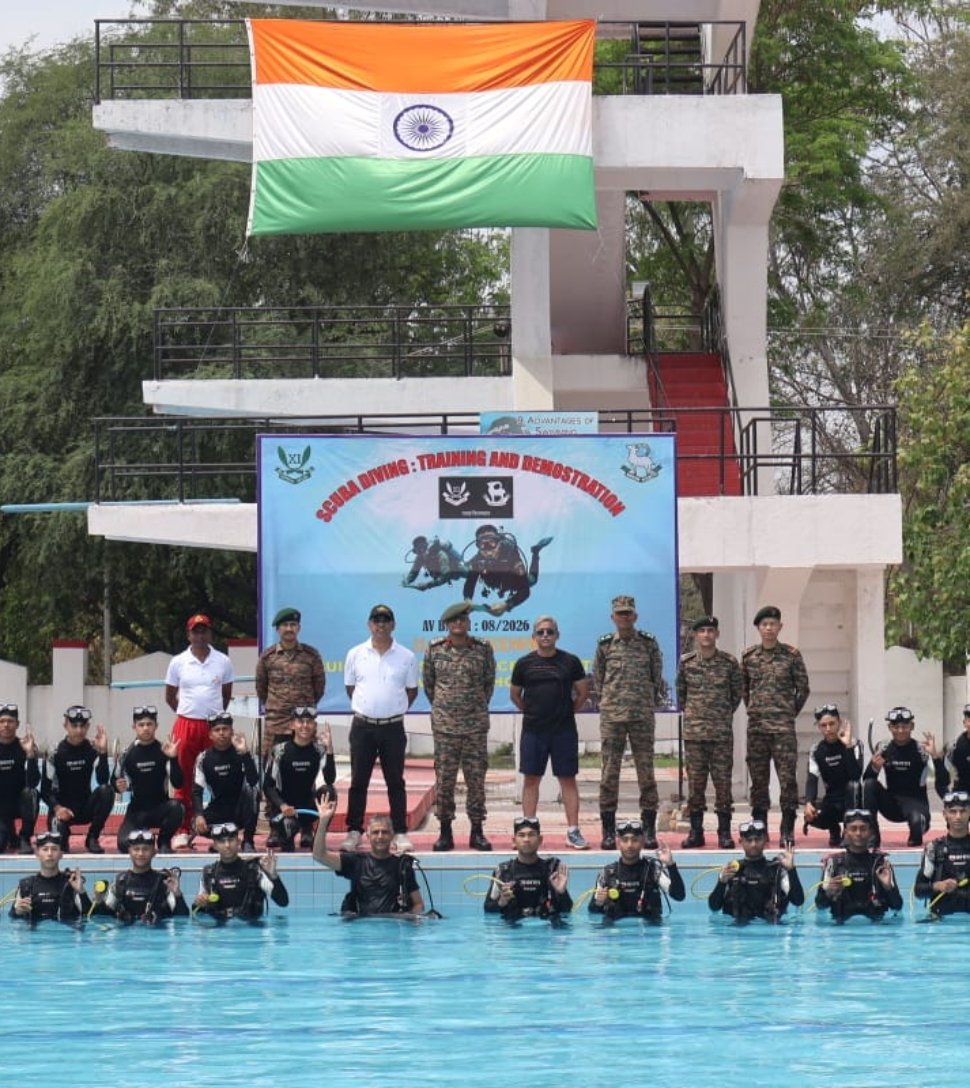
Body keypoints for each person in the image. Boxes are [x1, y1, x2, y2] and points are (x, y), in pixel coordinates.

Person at [342, 604, 419, 854]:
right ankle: (354, 831)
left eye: (386, 620)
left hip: (393, 727)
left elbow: (411, 691)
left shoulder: (406, 656)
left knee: (395, 782)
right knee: (358, 781)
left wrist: (391, 708)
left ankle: (400, 831)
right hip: (363, 726)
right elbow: (351, 688)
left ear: (393, 625)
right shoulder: (355, 654)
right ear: (369, 624)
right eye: (376, 620)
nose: (381, 624)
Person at [593, 594, 668, 851]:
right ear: (613, 617)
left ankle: (648, 829)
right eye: (619, 613)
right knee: (609, 773)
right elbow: (598, 679)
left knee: (646, 773)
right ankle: (607, 829)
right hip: (612, 717)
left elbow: (656, 677)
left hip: (641, 716)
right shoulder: (604, 646)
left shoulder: (648, 644)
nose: (624, 617)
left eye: (628, 613)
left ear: (634, 616)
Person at [510, 616, 590, 849]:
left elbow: (583, 693)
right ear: (534, 636)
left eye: (550, 632)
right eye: (541, 632)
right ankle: (527, 830)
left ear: (557, 635)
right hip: (534, 731)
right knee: (531, 779)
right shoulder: (524, 664)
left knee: (567, 779)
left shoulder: (571, 661)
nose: (545, 636)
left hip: (563, 730)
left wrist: (566, 712)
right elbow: (515, 695)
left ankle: (573, 831)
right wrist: (533, 713)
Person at [423, 600, 496, 852]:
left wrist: (472, 708)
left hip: (475, 726)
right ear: (447, 624)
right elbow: (429, 685)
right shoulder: (434, 650)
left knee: (476, 781)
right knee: (444, 782)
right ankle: (445, 832)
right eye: (454, 620)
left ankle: (477, 832)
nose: (458, 623)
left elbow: (489, 683)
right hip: (445, 728)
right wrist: (447, 709)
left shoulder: (483, 649)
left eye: (463, 619)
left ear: (468, 622)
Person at [741, 605, 810, 846]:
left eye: (773, 624)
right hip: (757, 728)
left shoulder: (791, 655)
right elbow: (744, 691)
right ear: (758, 629)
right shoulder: (749, 657)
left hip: (783, 729)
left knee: (787, 779)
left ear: (780, 627)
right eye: (764, 625)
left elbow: (803, 689)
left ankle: (787, 827)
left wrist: (789, 712)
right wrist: (756, 710)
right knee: (758, 780)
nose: (768, 628)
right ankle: (758, 826)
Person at [165, 612, 234, 849]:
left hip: (213, 726)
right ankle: (184, 829)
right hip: (186, 724)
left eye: (204, 630)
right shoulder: (178, 662)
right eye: (196, 631)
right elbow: (169, 697)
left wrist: (213, 721)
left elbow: (226, 695)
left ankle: (220, 827)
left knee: (220, 775)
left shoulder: (223, 661)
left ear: (210, 633)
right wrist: (188, 712)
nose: (200, 635)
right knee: (183, 778)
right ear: (189, 634)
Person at [676, 615, 742, 850]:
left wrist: (719, 714)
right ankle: (696, 832)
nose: (706, 634)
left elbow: (736, 695)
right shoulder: (686, 663)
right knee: (696, 785)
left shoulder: (729, 663)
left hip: (721, 734)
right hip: (694, 736)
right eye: (702, 630)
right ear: (695, 634)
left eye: (710, 630)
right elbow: (681, 694)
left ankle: (724, 832)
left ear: (717, 634)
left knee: (723, 785)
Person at [313, 797, 424, 916]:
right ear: (368, 835)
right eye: (376, 832)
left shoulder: (402, 866)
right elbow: (319, 855)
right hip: (361, 929)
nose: (380, 837)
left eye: (385, 832)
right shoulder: (355, 862)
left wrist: (410, 919)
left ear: (392, 835)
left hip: (392, 926)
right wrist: (323, 821)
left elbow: (418, 904)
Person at [255, 606, 325, 758]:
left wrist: (304, 705)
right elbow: (261, 689)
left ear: (298, 628)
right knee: (271, 772)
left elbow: (319, 687)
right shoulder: (267, 657)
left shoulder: (311, 655)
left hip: (303, 723)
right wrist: (277, 706)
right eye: (285, 625)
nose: (289, 629)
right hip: (276, 724)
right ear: (278, 629)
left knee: (304, 770)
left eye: (293, 625)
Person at [42, 706, 114, 854]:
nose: (79, 730)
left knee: (107, 791)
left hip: (84, 808)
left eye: (82, 726)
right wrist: (57, 808)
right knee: (59, 849)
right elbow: (44, 790)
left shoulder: (92, 749)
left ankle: (93, 837)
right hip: (61, 811)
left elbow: (103, 780)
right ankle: (64, 835)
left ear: (87, 727)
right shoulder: (54, 753)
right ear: (65, 726)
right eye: (74, 726)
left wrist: (103, 753)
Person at [113, 705, 184, 852]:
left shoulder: (164, 750)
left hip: (161, 808)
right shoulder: (127, 754)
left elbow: (178, 783)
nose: (146, 728)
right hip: (137, 812)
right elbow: (113, 781)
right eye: (141, 725)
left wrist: (174, 759)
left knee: (178, 808)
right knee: (123, 845)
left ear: (156, 726)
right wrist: (117, 786)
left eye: (149, 724)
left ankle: (164, 841)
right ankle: (147, 840)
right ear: (134, 727)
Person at [263, 707, 335, 851]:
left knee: (329, 792)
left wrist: (330, 750)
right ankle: (284, 834)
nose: (305, 726)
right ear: (292, 725)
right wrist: (282, 806)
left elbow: (329, 779)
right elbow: (268, 786)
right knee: (288, 847)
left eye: (309, 722)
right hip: (286, 810)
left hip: (307, 808)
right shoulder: (280, 751)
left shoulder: (318, 750)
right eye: (300, 722)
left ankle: (317, 837)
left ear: (314, 726)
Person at [708, 818, 805, 923]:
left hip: (771, 932)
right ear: (741, 841)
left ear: (765, 840)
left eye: (757, 839)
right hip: (738, 933)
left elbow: (798, 901)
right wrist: (721, 881)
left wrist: (791, 870)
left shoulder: (776, 870)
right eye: (749, 840)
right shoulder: (732, 871)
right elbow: (714, 907)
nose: (753, 844)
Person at [589, 818, 685, 923]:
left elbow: (679, 896)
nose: (629, 845)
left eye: (635, 840)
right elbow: (592, 910)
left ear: (642, 841)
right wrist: (599, 902)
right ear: (618, 843)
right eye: (625, 840)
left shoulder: (653, 870)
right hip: (616, 935)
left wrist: (670, 865)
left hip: (650, 934)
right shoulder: (607, 873)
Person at [815, 808, 903, 922]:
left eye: (863, 829)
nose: (858, 833)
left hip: (876, 932)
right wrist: (828, 893)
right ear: (845, 833)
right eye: (853, 829)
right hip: (841, 932)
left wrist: (888, 888)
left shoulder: (881, 864)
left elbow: (897, 906)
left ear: (871, 832)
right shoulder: (833, 864)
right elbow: (820, 906)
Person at [862, 706, 932, 846]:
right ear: (889, 727)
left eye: (905, 726)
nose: (900, 730)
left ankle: (918, 827)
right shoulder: (883, 747)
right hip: (891, 804)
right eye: (896, 726)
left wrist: (936, 757)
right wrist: (875, 769)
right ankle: (872, 835)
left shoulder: (922, 750)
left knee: (915, 838)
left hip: (916, 803)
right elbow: (867, 779)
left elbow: (942, 780)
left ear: (912, 726)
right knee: (869, 785)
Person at [193, 822, 288, 922]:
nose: (227, 845)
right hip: (220, 934)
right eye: (221, 841)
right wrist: (199, 903)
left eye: (231, 840)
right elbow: (198, 913)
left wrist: (274, 876)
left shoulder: (254, 870)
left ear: (238, 842)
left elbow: (283, 902)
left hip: (253, 933)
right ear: (215, 846)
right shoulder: (208, 873)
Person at [192, 712, 259, 851]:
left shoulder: (242, 752)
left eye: (225, 729)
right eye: (217, 730)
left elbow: (254, 781)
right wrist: (199, 815)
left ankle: (248, 841)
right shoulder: (203, 758)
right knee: (195, 824)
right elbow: (197, 791)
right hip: (218, 809)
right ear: (210, 734)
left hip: (240, 811)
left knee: (253, 792)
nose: (221, 733)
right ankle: (223, 839)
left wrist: (245, 754)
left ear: (232, 731)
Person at [483, 816, 572, 923]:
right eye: (521, 835)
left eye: (531, 835)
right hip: (514, 932)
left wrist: (561, 892)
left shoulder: (551, 869)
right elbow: (488, 909)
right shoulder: (504, 871)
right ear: (514, 841)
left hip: (546, 930)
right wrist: (502, 901)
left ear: (540, 840)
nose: (526, 839)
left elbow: (567, 910)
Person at [91, 829, 188, 924]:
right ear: (129, 851)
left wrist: (177, 894)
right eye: (136, 849)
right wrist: (99, 901)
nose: (140, 854)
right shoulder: (120, 881)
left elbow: (183, 918)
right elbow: (103, 918)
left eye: (145, 849)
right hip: (125, 937)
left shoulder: (164, 882)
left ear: (154, 852)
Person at [803, 704, 864, 848]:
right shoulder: (816, 751)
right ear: (819, 727)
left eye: (832, 724)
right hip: (832, 800)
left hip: (854, 800)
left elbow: (856, 775)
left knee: (853, 786)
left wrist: (847, 747)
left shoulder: (855, 744)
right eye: (823, 725)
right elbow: (812, 779)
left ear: (839, 722)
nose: (828, 729)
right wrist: (809, 803)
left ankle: (849, 833)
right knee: (810, 816)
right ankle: (834, 829)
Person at [461, 524, 551, 616]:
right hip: (492, 581)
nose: (488, 550)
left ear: (499, 542)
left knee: (532, 580)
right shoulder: (478, 560)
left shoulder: (511, 554)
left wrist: (507, 604)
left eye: (492, 543)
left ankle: (535, 552)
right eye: (483, 544)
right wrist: (468, 600)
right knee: (465, 571)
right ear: (478, 546)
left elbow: (525, 591)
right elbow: (470, 582)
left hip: (511, 581)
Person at [10, 830, 91, 923]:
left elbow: (90, 915)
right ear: (37, 854)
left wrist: (82, 892)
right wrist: (17, 911)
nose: (49, 854)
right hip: (36, 936)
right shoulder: (26, 885)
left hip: (66, 934)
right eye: (45, 849)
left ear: (61, 854)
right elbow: (12, 916)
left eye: (54, 849)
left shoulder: (71, 883)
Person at [915, 790, 970, 918]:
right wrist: (938, 886)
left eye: (962, 811)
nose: (958, 816)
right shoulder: (934, 848)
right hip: (941, 923)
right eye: (953, 812)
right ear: (945, 814)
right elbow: (918, 891)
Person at [0, 702, 40, 854]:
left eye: (10, 721)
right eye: (2, 721)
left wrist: (30, 755)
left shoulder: (25, 747)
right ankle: (10, 834)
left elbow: (34, 782)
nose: (6, 725)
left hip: (21, 803)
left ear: (17, 724)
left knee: (32, 793)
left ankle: (25, 837)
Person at [926, 704, 970, 797]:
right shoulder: (954, 748)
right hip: (963, 801)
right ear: (964, 723)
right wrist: (935, 756)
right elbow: (941, 783)